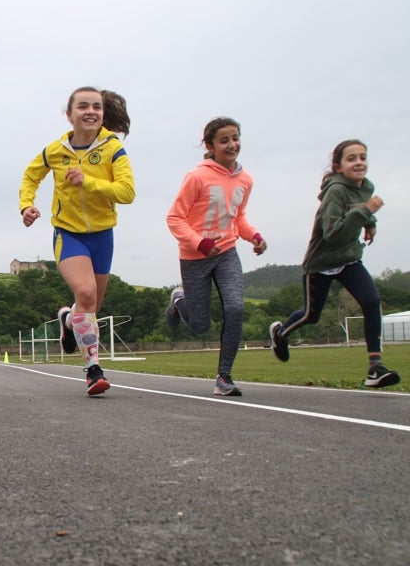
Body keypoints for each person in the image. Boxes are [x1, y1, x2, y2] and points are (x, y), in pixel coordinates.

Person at [20, 87, 135, 396]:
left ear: (102, 113)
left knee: (91, 306)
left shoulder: (113, 150)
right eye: (82, 106)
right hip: (68, 234)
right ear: (69, 114)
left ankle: (69, 320)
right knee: (85, 292)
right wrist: (26, 205)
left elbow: (127, 192)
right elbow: (31, 176)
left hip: (102, 236)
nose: (90, 111)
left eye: (96, 107)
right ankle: (93, 370)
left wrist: (90, 182)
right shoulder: (55, 150)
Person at [269, 140, 400, 388]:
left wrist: (370, 223)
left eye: (363, 157)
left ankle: (375, 367)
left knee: (371, 302)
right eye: (352, 158)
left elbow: (362, 212)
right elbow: (332, 233)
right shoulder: (335, 192)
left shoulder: (366, 187)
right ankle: (280, 333)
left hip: (349, 258)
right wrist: (365, 214)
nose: (359, 162)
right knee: (311, 315)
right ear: (338, 166)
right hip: (321, 262)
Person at [165, 117, 267, 397]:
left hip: (226, 253)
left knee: (235, 309)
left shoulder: (245, 179)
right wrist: (199, 242)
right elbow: (174, 218)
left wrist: (254, 236)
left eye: (236, 138)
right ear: (210, 145)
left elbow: (239, 216)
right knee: (200, 326)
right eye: (225, 140)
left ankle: (224, 377)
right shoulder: (197, 177)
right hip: (195, 257)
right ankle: (179, 299)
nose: (232, 144)